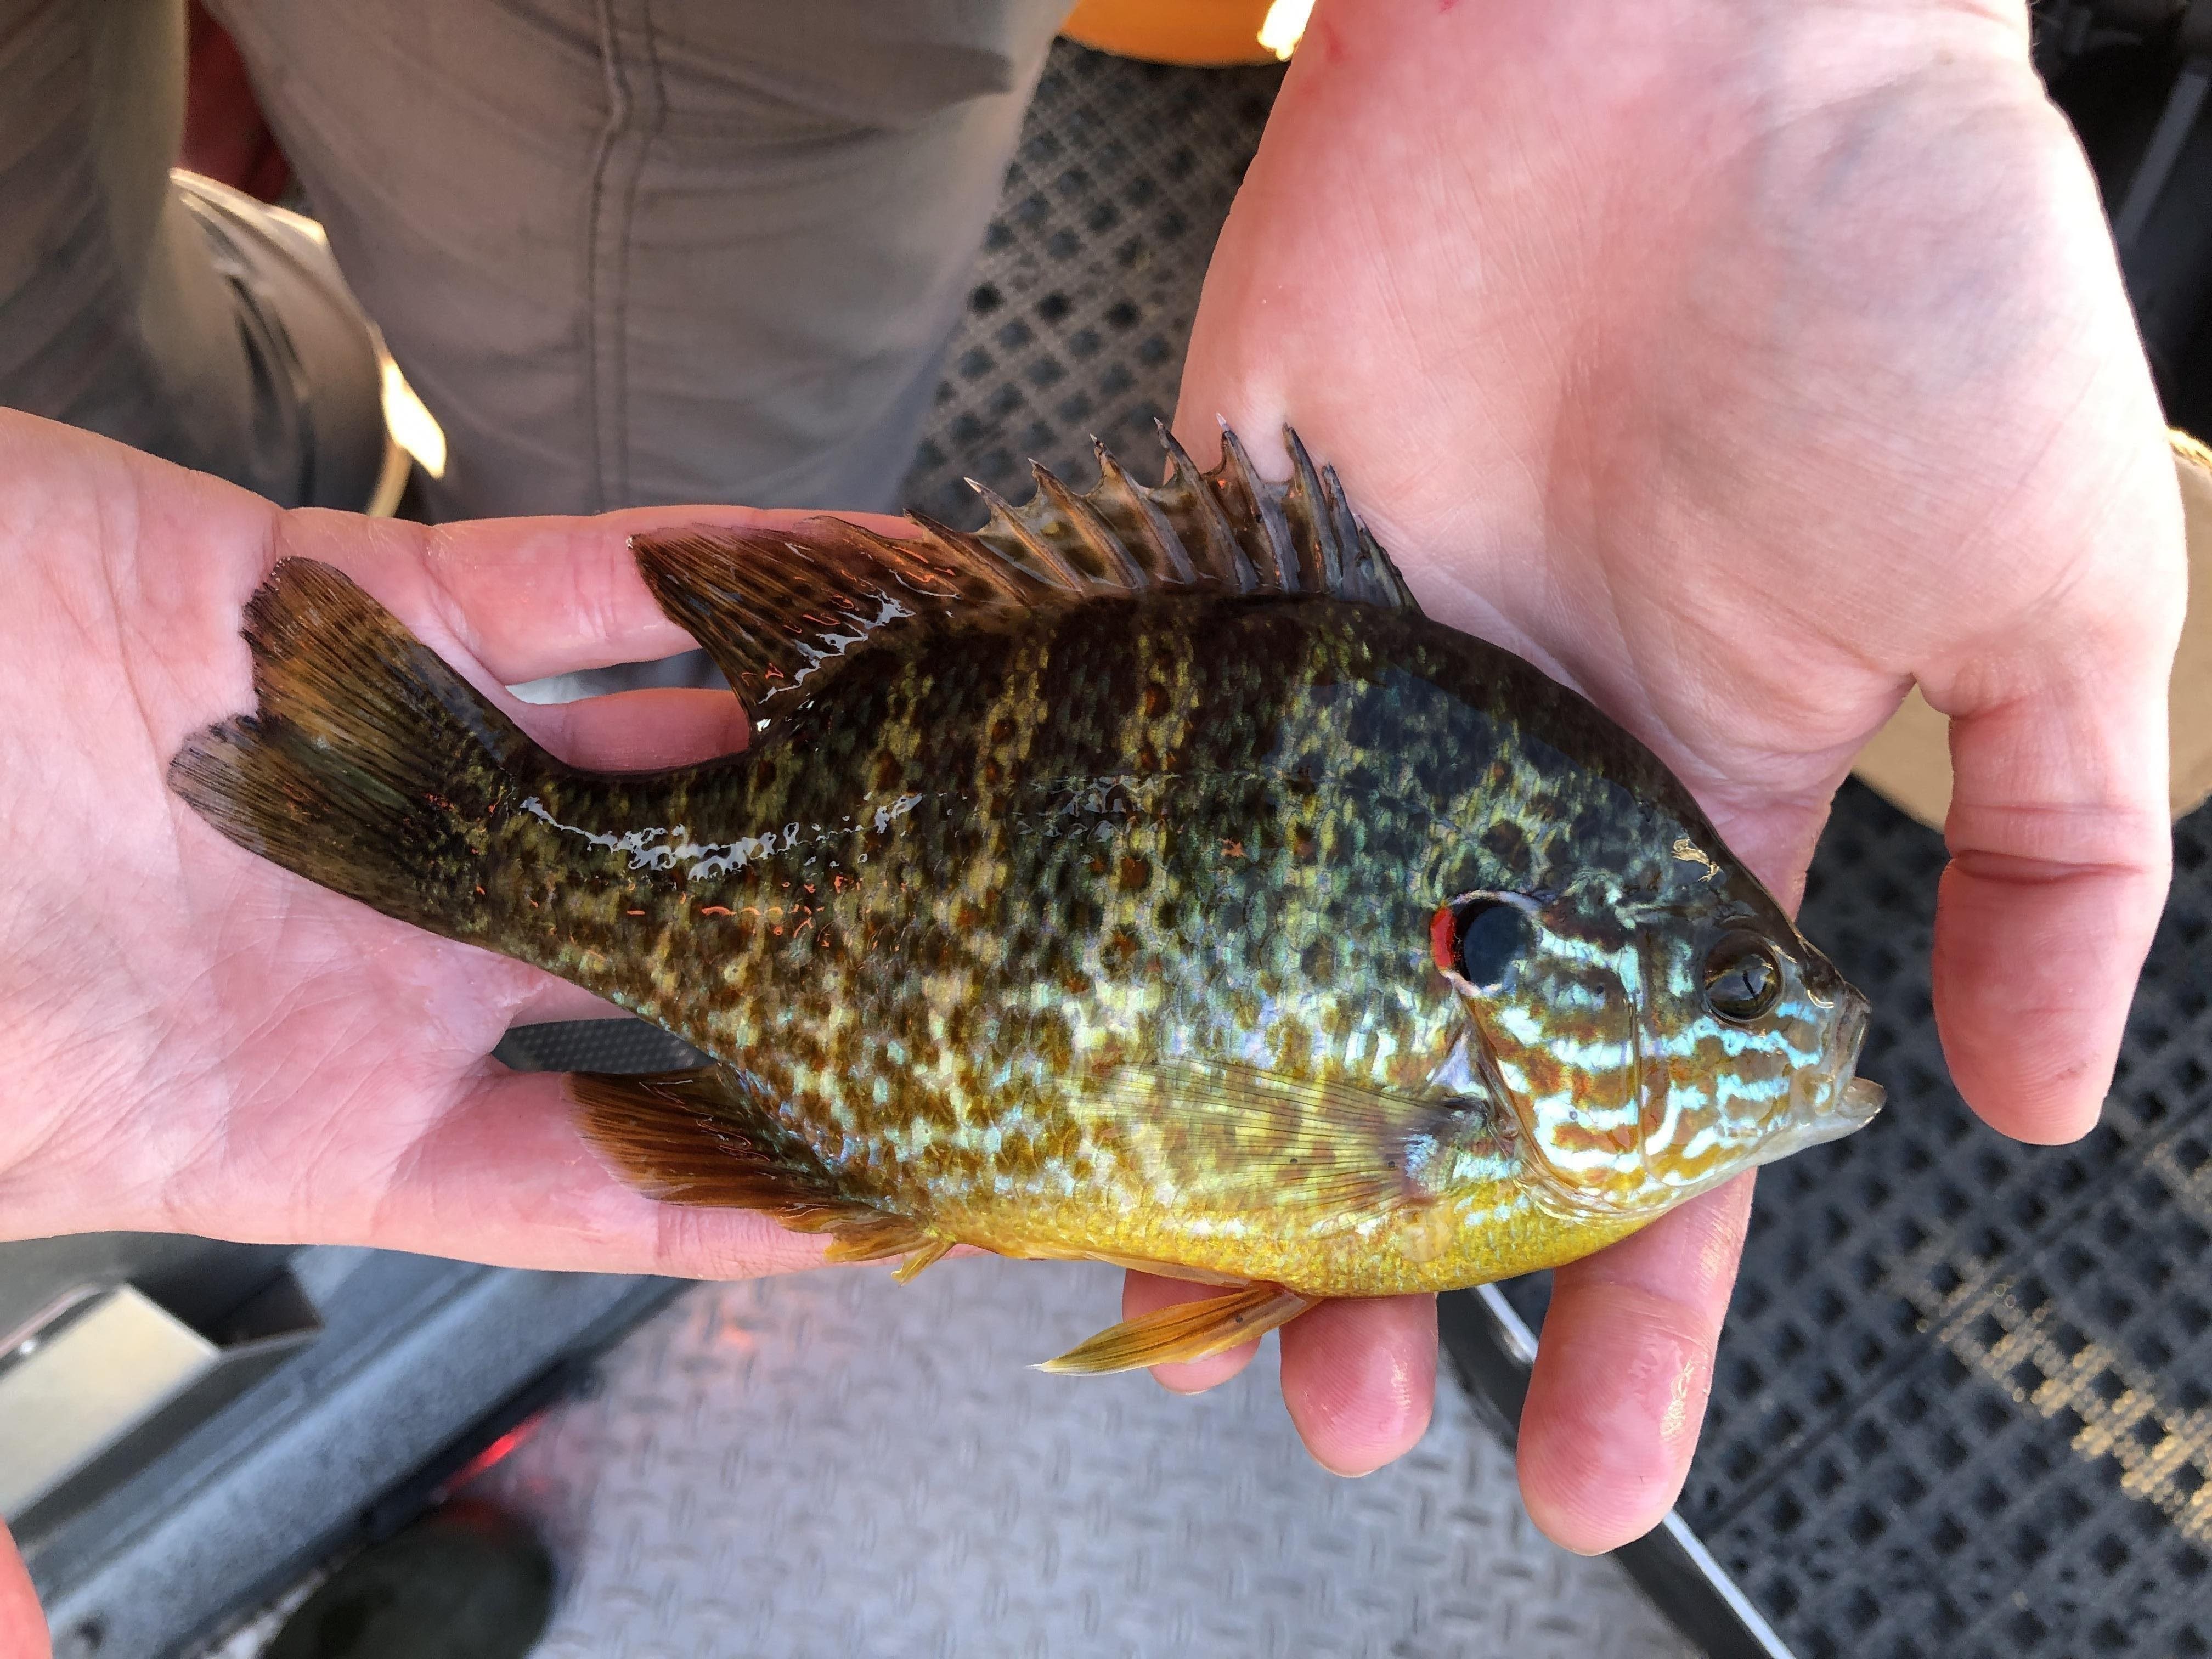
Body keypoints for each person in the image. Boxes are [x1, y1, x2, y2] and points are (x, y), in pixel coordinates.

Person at [0, 1, 2185, 1650]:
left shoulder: (1479, 1113)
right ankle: (284, 557)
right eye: (1727, 975)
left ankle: (284, 543)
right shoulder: (1456, 1158)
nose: (1770, 1025)